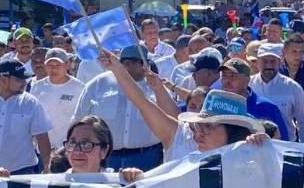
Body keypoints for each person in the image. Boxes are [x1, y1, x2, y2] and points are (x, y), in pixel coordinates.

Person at [101, 48, 265, 161]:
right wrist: (116, 68)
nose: (199, 133)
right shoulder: (179, 135)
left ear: (232, 131)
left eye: (208, 126)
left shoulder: (248, 153)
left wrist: (263, 145)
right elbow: (142, 102)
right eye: (200, 124)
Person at [74, 45, 164, 170]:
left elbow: (168, 119)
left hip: (148, 157)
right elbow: (78, 119)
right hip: (106, 157)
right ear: (124, 63)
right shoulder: (98, 84)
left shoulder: (155, 86)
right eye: (141, 63)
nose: (145, 68)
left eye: (146, 63)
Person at [0, 59, 53, 174]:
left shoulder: (31, 103)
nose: (24, 83)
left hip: (21, 170)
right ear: (3, 79)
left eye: (24, 79)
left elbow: (42, 137)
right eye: (18, 79)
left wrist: (47, 167)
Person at [48, 115, 142, 182]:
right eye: (72, 143)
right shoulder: (55, 185)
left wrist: (135, 178)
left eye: (85, 144)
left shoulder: (118, 184)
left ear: (104, 150)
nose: (77, 151)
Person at [250, 43, 304, 142]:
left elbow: (303, 121)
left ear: (280, 61)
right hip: (254, 144)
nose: (269, 65)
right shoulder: (248, 84)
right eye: (265, 61)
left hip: (285, 145)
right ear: (257, 61)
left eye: (273, 61)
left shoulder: (293, 87)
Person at [219, 57, 289, 139]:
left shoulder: (266, 107)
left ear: (247, 80)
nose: (227, 81)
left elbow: (283, 141)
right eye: (224, 76)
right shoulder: (216, 104)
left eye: (233, 76)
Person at [31, 48, 84, 148]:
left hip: (70, 147)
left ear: (67, 65)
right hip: (43, 147)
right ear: (45, 66)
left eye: (58, 65)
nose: (54, 69)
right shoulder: (37, 87)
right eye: (50, 65)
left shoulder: (80, 88)